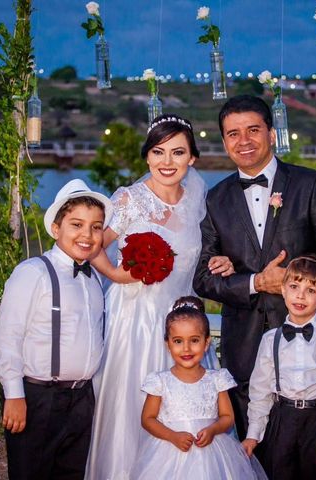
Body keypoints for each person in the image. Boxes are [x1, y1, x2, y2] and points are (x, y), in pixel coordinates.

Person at [193, 94, 316, 439]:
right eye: (233, 133)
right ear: (223, 142)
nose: (244, 140)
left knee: (309, 454)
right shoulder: (216, 198)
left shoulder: (312, 185)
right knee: (253, 454)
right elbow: (203, 279)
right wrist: (254, 283)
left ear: (272, 134)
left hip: (308, 350)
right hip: (245, 351)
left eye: (253, 130)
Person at [85, 114, 232, 480]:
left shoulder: (199, 199)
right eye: (158, 152)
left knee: (189, 408)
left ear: (192, 158)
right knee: (133, 403)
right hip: (134, 319)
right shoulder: (129, 199)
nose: (167, 162)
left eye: (178, 152)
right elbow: (92, 245)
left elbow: (203, 254)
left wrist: (221, 260)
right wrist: (117, 274)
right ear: (147, 157)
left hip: (183, 321)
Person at [0, 179, 112, 479]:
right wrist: (15, 395)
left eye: (96, 227)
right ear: (56, 229)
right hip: (39, 398)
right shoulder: (32, 273)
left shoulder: (94, 280)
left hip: (82, 400)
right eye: (76, 225)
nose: (87, 235)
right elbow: (7, 338)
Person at [242, 255, 316, 479]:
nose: (300, 295)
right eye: (294, 286)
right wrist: (253, 435)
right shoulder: (270, 339)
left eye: (311, 290)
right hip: (281, 420)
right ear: (283, 290)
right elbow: (260, 392)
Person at [131, 296, 267, 480]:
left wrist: (212, 430)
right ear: (168, 344)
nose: (186, 348)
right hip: (169, 452)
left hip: (213, 452)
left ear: (206, 342)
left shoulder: (217, 379)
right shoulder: (160, 381)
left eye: (194, 340)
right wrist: (173, 436)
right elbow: (148, 419)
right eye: (178, 341)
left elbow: (228, 417)